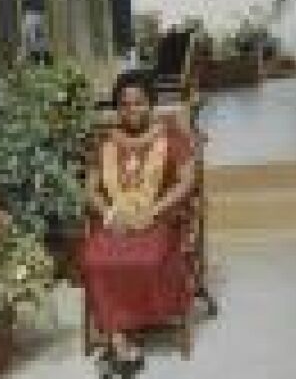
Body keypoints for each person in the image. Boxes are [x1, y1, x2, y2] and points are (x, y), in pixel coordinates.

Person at [80, 70, 196, 377]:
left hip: (159, 218)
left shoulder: (171, 136)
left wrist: (153, 211)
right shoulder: (106, 142)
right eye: (125, 104)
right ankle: (121, 338)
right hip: (116, 219)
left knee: (146, 258)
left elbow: (186, 182)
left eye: (139, 103)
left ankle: (125, 331)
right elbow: (90, 189)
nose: (132, 110)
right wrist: (110, 214)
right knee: (95, 258)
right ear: (117, 108)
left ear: (151, 104)